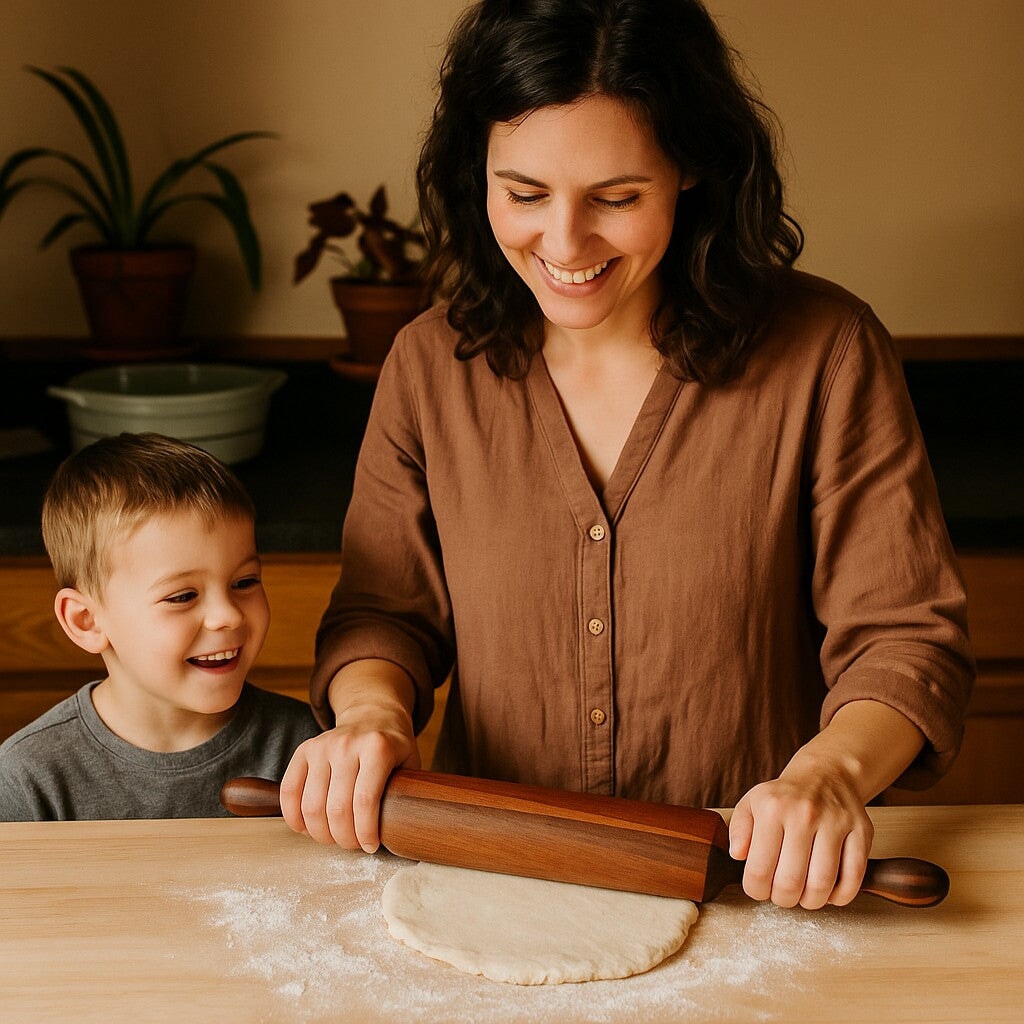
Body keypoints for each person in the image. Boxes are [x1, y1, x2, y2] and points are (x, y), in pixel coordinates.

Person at [281, 0, 974, 910]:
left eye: (617, 198)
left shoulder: (826, 352)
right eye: (524, 194)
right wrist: (371, 715)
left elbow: (904, 637)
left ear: (691, 168)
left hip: (754, 894)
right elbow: (384, 614)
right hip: (491, 883)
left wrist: (831, 775)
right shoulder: (427, 364)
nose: (564, 244)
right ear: (475, 171)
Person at [0, 432, 321, 821]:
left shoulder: (310, 748)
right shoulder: (25, 781)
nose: (229, 615)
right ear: (87, 621)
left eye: (244, 582)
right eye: (183, 596)